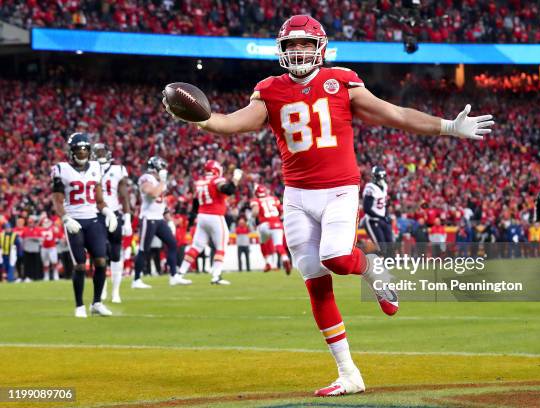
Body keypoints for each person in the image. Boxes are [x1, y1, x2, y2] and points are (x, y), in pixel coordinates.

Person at [164, 14, 494, 396]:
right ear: (282, 50)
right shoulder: (269, 89)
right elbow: (233, 123)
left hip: (339, 188)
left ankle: (372, 266)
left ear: (320, 47)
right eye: (292, 45)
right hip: (296, 196)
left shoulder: (342, 82)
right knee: (316, 286)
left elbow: (397, 115)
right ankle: (349, 372)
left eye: (305, 44)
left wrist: (449, 126)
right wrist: (201, 120)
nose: (299, 51)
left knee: (338, 257)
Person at [51, 132, 118, 317]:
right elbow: (57, 200)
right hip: (74, 220)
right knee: (80, 265)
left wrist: (108, 212)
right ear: (71, 152)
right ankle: (79, 305)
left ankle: (96, 303)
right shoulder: (61, 169)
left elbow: (99, 200)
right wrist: (65, 218)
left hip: (94, 219)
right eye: (78, 150)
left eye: (85, 150)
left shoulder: (96, 167)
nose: (82, 154)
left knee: (101, 261)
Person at [178, 160, 242, 285]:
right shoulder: (216, 180)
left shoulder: (199, 182)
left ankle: (180, 273)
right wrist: (236, 178)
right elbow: (228, 190)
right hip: (215, 216)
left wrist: (194, 218)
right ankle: (216, 276)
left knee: (196, 246)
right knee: (221, 246)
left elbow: (195, 203)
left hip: (202, 216)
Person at [132, 156, 190, 288]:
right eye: (162, 167)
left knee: (173, 244)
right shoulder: (146, 178)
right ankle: (136, 280)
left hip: (159, 219)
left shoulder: (160, 182)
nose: (164, 170)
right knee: (143, 249)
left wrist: (170, 221)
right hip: (148, 219)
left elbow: (162, 204)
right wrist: (162, 182)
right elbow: (152, 193)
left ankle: (174, 276)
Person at [93, 143, 132, 303]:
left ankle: (116, 291)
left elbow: (124, 196)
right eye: (97, 152)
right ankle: (102, 288)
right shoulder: (90, 169)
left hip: (115, 214)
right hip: (97, 214)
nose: (100, 155)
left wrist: (128, 217)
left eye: (102, 151)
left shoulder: (118, 169)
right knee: (99, 253)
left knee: (116, 253)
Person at [250, 184, 291, 274]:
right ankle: (285, 258)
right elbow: (281, 212)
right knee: (278, 245)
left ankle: (268, 263)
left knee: (262, 242)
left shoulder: (256, 200)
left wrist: (251, 218)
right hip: (278, 224)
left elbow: (255, 212)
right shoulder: (274, 199)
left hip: (265, 225)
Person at [362, 166, 394, 257]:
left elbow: (384, 204)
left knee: (390, 244)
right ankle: (375, 263)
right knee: (381, 247)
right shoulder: (370, 187)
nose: (381, 178)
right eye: (379, 176)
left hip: (382, 219)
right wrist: (382, 217)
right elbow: (367, 208)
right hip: (372, 220)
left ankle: (388, 264)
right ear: (374, 176)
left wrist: (386, 214)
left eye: (383, 176)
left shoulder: (384, 186)